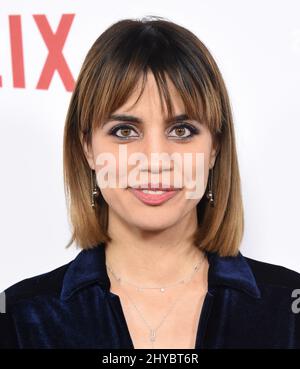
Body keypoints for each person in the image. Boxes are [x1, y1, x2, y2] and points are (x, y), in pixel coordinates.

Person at [1, 16, 300, 349]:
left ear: (214, 148)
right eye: (125, 131)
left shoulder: (290, 310)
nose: (155, 159)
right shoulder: (18, 319)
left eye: (182, 131)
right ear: (87, 148)